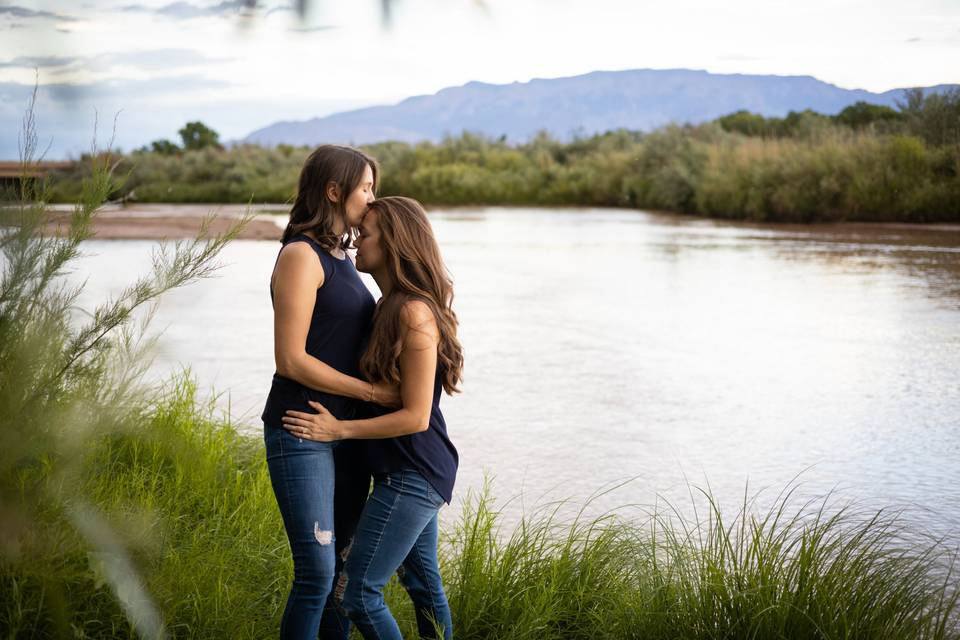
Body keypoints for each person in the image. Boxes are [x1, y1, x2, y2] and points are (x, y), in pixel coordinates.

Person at [281, 196, 463, 640]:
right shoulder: (387, 306)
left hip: (414, 471)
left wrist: (338, 428)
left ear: (396, 243)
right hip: (403, 470)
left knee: (358, 594)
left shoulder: (414, 313)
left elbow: (416, 416)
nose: (356, 240)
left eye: (367, 233)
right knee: (423, 584)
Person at [262, 144, 399, 639]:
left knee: (341, 572)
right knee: (316, 574)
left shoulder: (344, 256)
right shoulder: (301, 255)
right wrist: (373, 393)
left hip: (346, 435)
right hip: (301, 430)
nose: (371, 198)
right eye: (365, 188)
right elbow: (291, 359)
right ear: (335, 191)